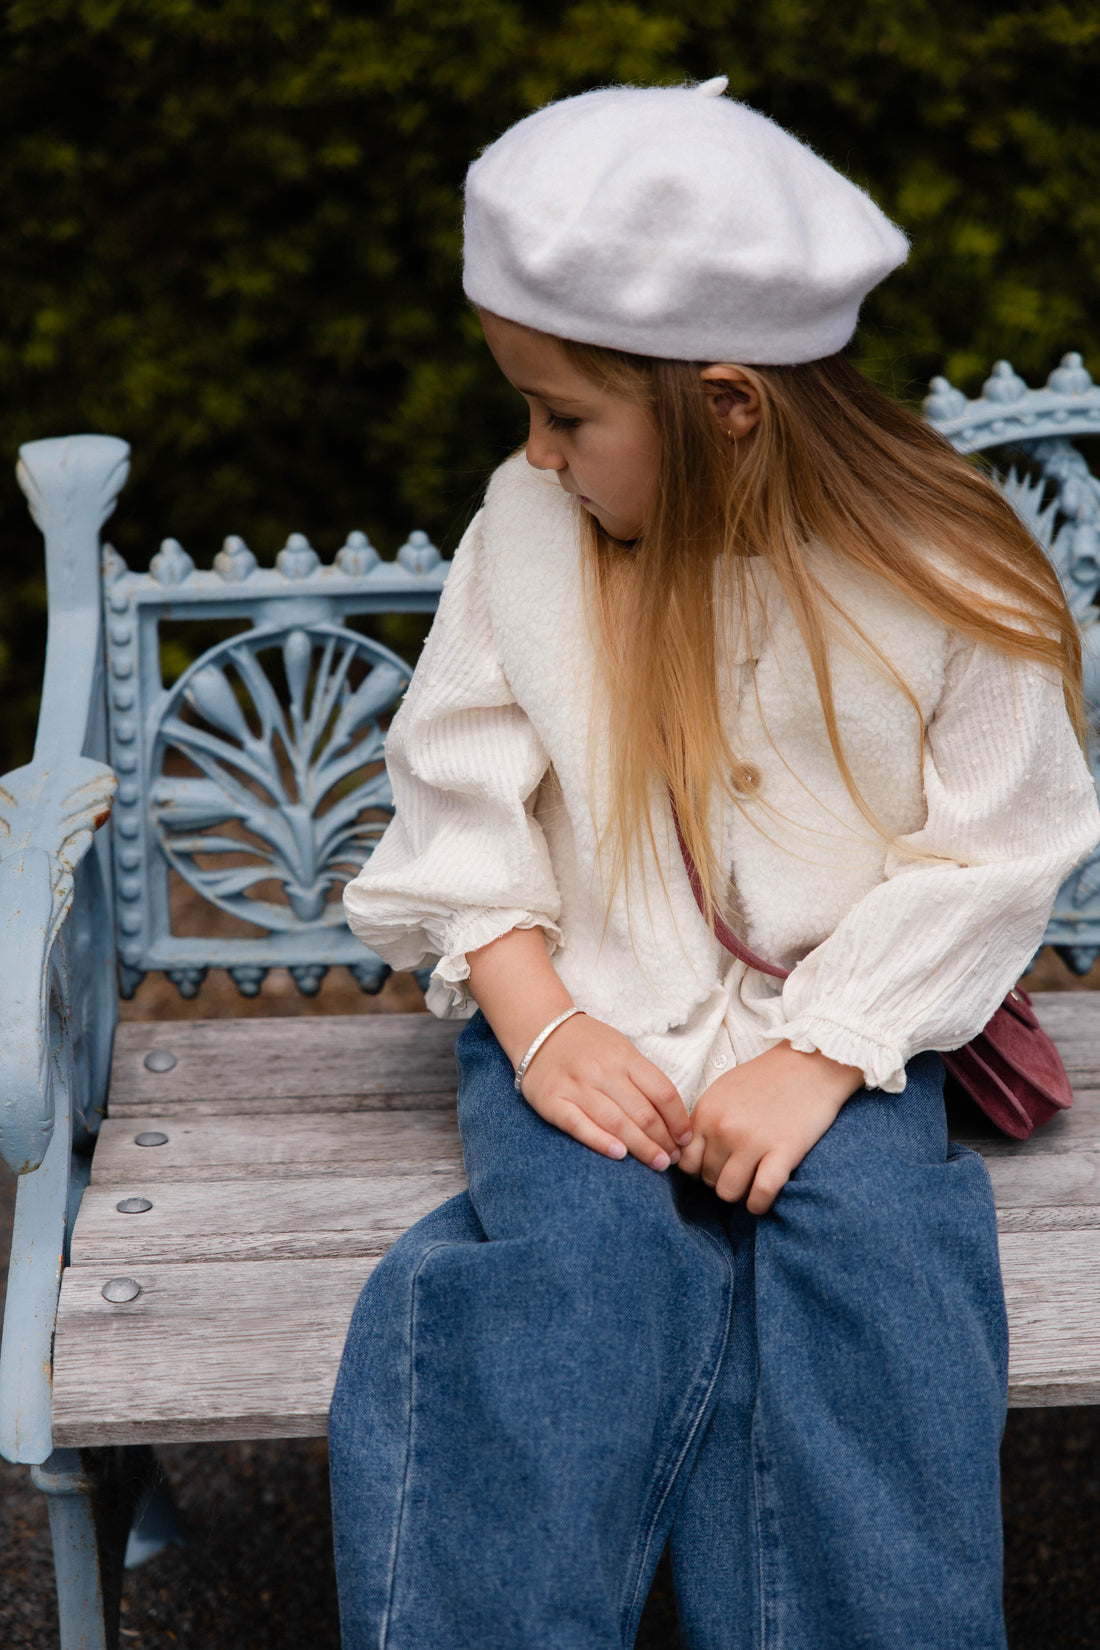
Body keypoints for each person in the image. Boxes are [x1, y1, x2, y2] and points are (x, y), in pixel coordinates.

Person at [329, 79, 1100, 1650]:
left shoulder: (945, 579)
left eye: (563, 414)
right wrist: (541, 1025)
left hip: (851, 1033)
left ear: (729, 403)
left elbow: (999, 849)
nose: (534, 455)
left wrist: (821, 1054)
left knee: (881, 1271)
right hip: (588, 1013)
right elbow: (460, 793)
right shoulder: (528, 538)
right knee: (580, 1268)